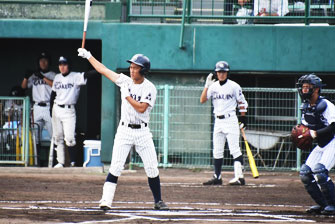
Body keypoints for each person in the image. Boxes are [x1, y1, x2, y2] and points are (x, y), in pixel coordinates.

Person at [77, 48, 169, 210]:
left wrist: (126, 96)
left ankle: (158, 201)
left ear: (143, 70)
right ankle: (106, 201)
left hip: (142, 131)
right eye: (131, 67)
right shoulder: (125, 81)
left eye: (135, 67)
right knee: (116, 166)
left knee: (151, 166)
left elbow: (141, 108)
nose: (132, 70)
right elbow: (103, 70)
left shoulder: (150, 88)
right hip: (124, 130)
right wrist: (89, 56)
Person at [200, 61, 248, 186]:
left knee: (234, 149)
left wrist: (243, 118)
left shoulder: (234, 86)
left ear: (227, 73)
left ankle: (239, 177)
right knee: (217, 150)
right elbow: (202, 100)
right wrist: (206, 85)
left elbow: (241, 102)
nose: (221, 74)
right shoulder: (213, 86)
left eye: (224, 72)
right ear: (216, 73)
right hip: (218, 120)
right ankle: (217, 176)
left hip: (230, 119)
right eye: (219, 72)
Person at [296, 74, 335, 215]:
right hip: (322, 144)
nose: (304, 89)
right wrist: (300, 134)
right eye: (303, 87)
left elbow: (334, 125)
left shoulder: (326, 105)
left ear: (316, 89)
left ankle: (333, 204)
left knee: (320, 172)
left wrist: (315, 134)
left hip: (333, 141)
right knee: (305, 173)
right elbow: (305, 127)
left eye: (308, 87)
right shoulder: (305, 106)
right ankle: (324, 204)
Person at [50, 56, 93, 168]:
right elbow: (53, 94)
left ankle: (73, 162)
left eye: (64, 64)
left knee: (69, 138)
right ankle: (60, 162)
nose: (62, 67)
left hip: (69, 110)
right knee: (57, 137)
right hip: (56, 108)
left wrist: (99, 69)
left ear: (68, 65)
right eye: (60, 64)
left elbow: (87, 74)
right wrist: (51, 111)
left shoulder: (75, 76)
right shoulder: (57, 77)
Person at [21, 52, 55, 161]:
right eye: (41, 60)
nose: (43, 62)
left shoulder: (53, 74)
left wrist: (43, 77)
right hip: (37, 107)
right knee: (35, 136)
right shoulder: (34, 76)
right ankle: (35, 161)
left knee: (54, 135)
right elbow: (23, 87)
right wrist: (26, 77)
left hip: (49, 106)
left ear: (48, 62)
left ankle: (55, 161)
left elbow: (55, 85)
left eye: (45, 60)